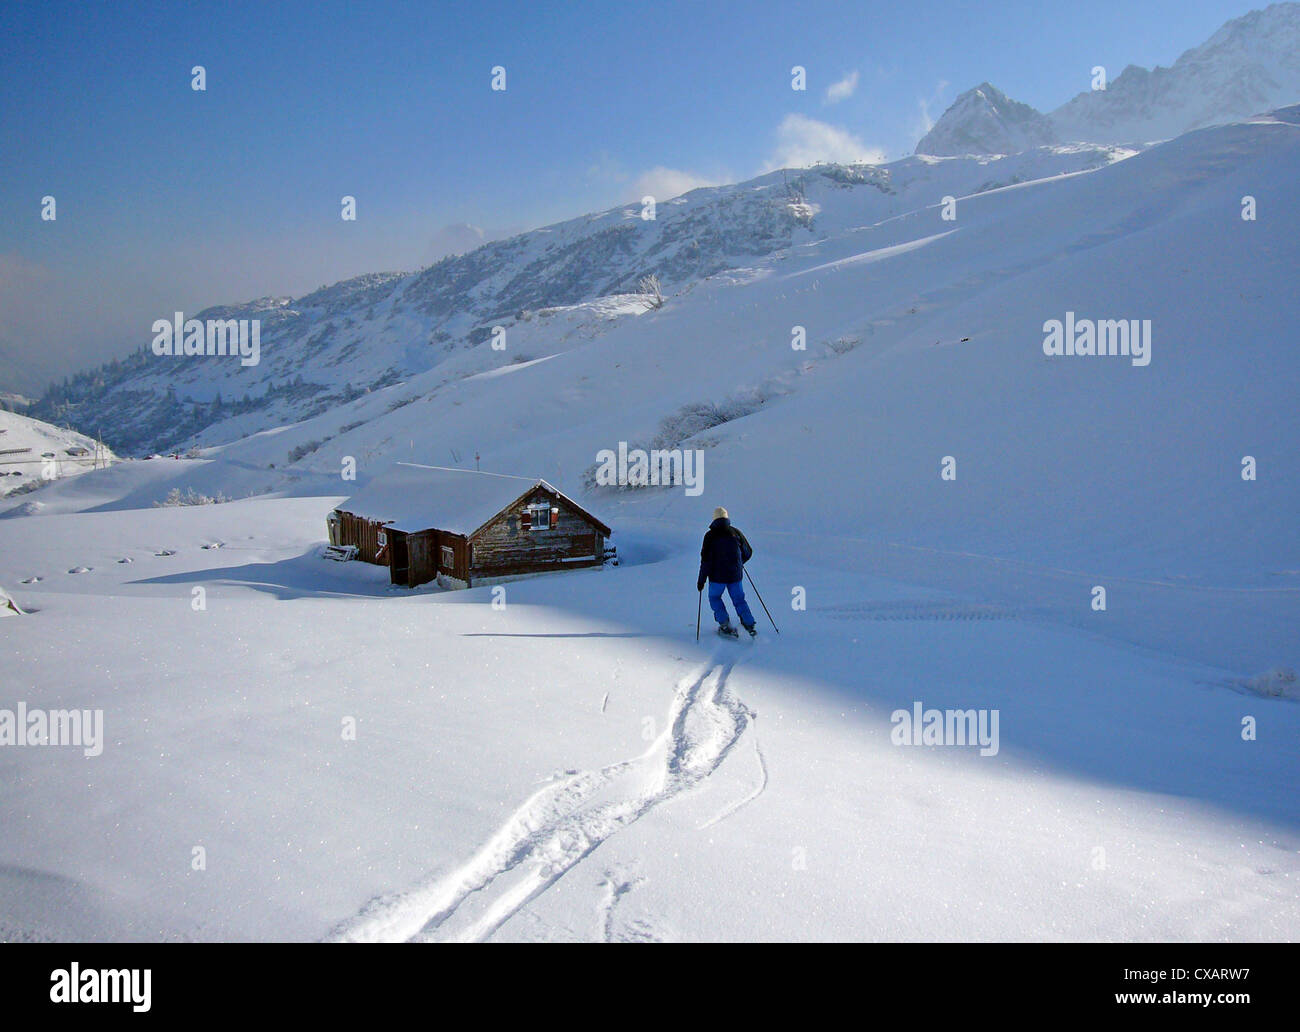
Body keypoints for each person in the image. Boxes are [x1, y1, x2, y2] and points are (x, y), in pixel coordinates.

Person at [697, 506, 757, 638]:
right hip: (735, 576)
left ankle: (724, 624)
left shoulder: (709, 536)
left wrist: (701, 580)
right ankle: (749, 624)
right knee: (739, 600)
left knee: (715, 597)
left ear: (714, 519)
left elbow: (705, 561)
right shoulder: (735, 532)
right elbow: (748, 552)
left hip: (717, 578)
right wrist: (739, 563)